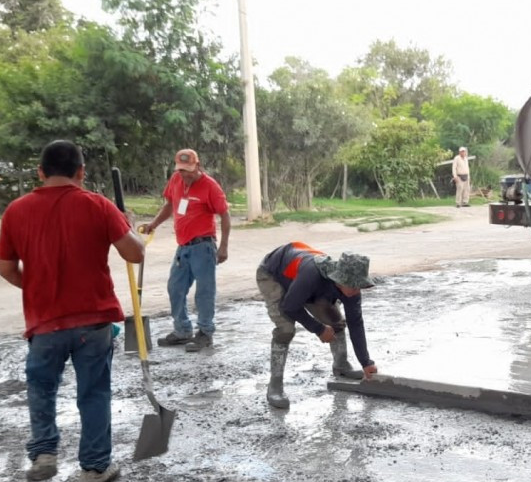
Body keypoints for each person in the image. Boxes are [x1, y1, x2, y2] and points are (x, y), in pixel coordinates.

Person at [0, 140, 145, 482]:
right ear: (81, 172)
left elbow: (5, 268)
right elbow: (135, 255)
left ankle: (44, 452)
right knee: (93, 393)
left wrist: (36, 289)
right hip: (93, 322)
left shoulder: (16, 211)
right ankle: (94, 470)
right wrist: (129, 226)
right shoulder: (98, 205)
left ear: (40, 172)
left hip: (44, 323)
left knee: (41, 388)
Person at [256, 243, 379, 408]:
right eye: (353, 285)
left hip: (306, 284)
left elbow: (356, 322)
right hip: (273, 273)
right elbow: (290, 306)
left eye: (360, 285)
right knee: (285, 330)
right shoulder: (311, 276)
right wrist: (318, 329)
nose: (356, 291)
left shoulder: (352, 290)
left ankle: (341, 365)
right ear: (340, 279)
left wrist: (366, 361)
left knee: (336, 321)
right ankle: (275, 386)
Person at [141, 149, 231, 351]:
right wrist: (153, 224)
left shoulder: (210, 186)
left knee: (204, 292)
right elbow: (170, 205)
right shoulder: (175, 180)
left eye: (189, 170)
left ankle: (205, 333)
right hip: (183, 247)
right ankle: (182, 330)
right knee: (175, 288)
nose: (185, 175)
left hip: (204, 246)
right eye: (182, 171)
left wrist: (223, 246)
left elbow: (225, 215)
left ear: (197, 166)